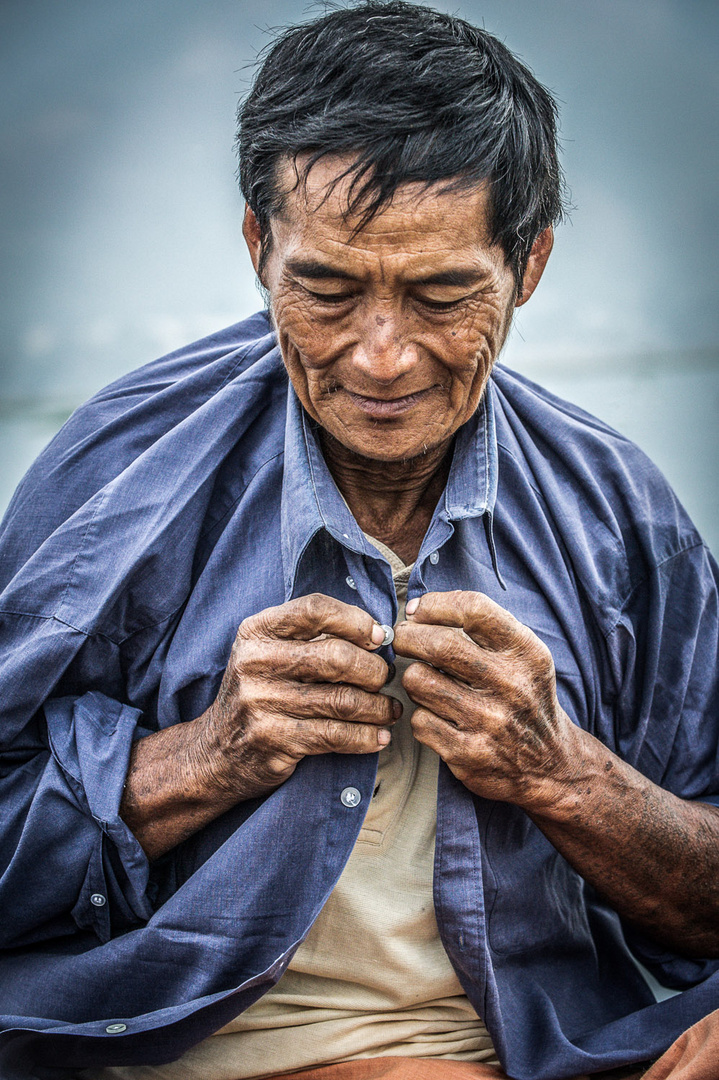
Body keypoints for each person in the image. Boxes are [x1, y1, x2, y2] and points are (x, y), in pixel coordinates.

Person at [0, 3, 718, 1079]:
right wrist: (204, 758)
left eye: (439, 295)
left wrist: (562, 774)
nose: (380, 357)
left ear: (526, 267)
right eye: (326, 290)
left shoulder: (619, 512)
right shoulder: (121, 476)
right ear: (258, 246)